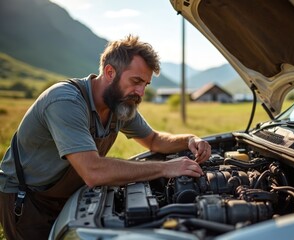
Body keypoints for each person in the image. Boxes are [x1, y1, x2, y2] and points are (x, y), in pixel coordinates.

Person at [0, 34, 211, 240]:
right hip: (28, 201)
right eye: (136, 81)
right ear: (110, 72)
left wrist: (190, 139)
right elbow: (93, 171)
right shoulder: (65, 101)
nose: (140, 93)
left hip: (69, 197)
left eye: (145, 85)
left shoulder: (119, 105)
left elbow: (154, 140)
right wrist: (166, 168)